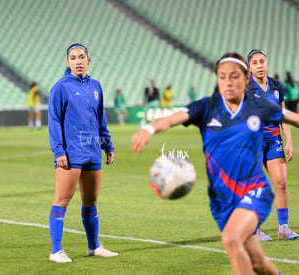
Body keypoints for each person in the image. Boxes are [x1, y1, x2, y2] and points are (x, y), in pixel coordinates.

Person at [132, 53, 299, 274]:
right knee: (257, 262)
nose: (228, 82)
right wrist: (149, 128)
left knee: (231, 240)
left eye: (234, 76)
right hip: (221, 200)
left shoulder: (259, 106)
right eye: (222, 77)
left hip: (255, 190)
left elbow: (293, 118)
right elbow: (173, 118)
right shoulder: (206, 107)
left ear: (245, 79)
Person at [48, 43, 118, 263]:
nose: (78, 61)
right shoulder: (60, 87)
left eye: (81, 57)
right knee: (62, 199)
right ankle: (56, 251)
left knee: (90, 201)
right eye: (73, 58)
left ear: (89, 60)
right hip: (71, 153)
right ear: (67, 62)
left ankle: (94, 246)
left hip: (92, 151)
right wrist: (59, 150)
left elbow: (100, 119)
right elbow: (54, 120)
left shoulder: (96, 85)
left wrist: (107, 144)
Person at [246, 49, 298, 241]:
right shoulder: (246, 89)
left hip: (274, 140)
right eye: (255, 63)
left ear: (267, 64)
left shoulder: (277, 86)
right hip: (253, 142)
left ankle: (283, 228)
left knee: (282, 183)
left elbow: (284, 116)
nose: (259, 65)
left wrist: (289, 142)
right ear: (249, 68)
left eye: (262, 61)